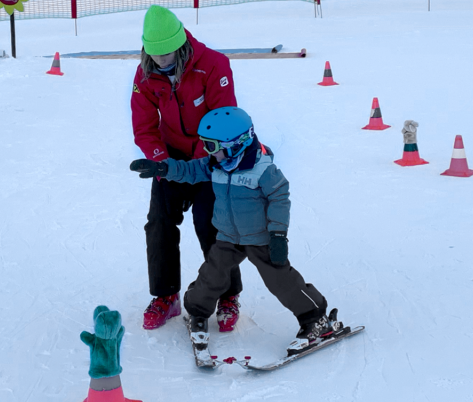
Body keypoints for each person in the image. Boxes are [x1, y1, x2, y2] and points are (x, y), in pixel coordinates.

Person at [130, 107, 339, 353]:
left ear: (236, 144)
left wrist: (278, 235)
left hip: (260, 238)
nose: (208, 152)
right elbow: (190, 170)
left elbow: (280, 198)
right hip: (228, 236)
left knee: (280, 280)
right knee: (212, 275)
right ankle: (196, 311)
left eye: (211, 146)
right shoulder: (216, 164)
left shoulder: (263, 170)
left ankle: (317, 319)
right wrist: (164, 169)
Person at [131, 5, 242, 330]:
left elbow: (222, 120)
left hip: (212, 157)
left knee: (211, 223)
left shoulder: (213, 65)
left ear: (180, 44)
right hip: (171, 158)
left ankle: (228, 294)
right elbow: (145, 124)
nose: (162, 60)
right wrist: (161, 160)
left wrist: (196, 163)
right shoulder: (146, 73)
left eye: (168, 54)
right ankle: (166, 296)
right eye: (155, 54)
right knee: (159, 222)